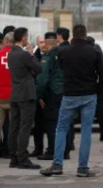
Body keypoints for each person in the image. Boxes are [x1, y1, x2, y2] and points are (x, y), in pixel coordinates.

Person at [40, 24, 103, 178]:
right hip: (89, 95)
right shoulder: (95, 51)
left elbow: (62, 68)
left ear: (73, 35)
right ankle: (82, 168)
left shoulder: (64, 51)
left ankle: (57, 164)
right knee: (86, 131)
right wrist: (98, 90)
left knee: (61, 128)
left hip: (70, 94)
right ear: (85, 34)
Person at [7, 28, 43, 169]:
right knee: (25, 127)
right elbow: (38, 69)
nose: (28, 39)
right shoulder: (24, 54)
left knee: (14, 127)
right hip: (26, 95)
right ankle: (23, 158)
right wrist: (31, 54)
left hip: (15, 94)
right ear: (23, 38)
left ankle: (13, 158)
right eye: (27, 36)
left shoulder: (11, 54)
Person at [36, 32, 64, 161]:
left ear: (47, 44)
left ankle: (52, 151)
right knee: (62, 123)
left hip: (51, 94)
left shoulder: (47, 57)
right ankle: (64, 150)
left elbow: (42, 79)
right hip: (63, 92)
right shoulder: (64, 54)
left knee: (51, 124)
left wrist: (39, 95)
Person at [56, 27, 75, 154]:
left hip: (62, 88)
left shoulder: (60, 50)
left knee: (62, 121)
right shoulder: (73, 49)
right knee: (71, 119)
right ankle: (70, 142)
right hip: (72, 87)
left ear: (59, 36)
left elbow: (58, 70)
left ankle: (64, 147)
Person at [88, 36, 103, 142]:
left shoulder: (83, 53)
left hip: (85, 88)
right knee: (101, 113)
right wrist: (101, 86)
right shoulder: (97, 52)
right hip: (97, 87)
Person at [31, 34, 47, 157]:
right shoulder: (33, 57)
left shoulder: (53, 56)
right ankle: (38, 149)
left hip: (50, 95)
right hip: (37, 96)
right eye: (41, 42)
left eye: (45, 42)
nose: (43, 44)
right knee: (38, 125)